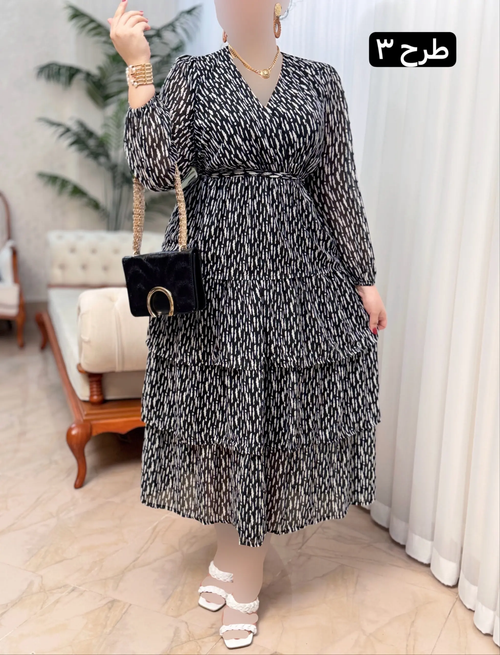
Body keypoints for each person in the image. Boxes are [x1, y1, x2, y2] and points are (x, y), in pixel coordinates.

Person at [109, 0, 388, 648]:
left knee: (269, 422)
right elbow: (154, 171)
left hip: (297, 275)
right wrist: (139, 70)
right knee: (228, 421)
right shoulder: (194, 76)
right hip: (218, 273)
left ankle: (245, 572)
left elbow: (338, 187)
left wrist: (364, 276)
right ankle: (233, 553)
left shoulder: (321, 82)